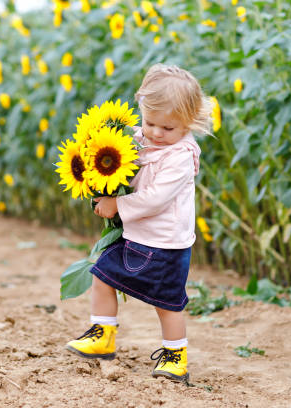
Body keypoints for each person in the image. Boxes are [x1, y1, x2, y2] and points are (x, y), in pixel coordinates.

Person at [66, 63, 212, 383]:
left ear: (188, 123)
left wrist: (116, 204)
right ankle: (102, 334)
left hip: (165, 245)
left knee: (168, 303)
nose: (157, 133)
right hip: (136, 237)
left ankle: (176, 355)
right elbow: (128, 156)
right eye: (149, 123)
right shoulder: (142, 139)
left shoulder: (180, 157)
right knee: (102, 275)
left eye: (168, 128)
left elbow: (155, 199)